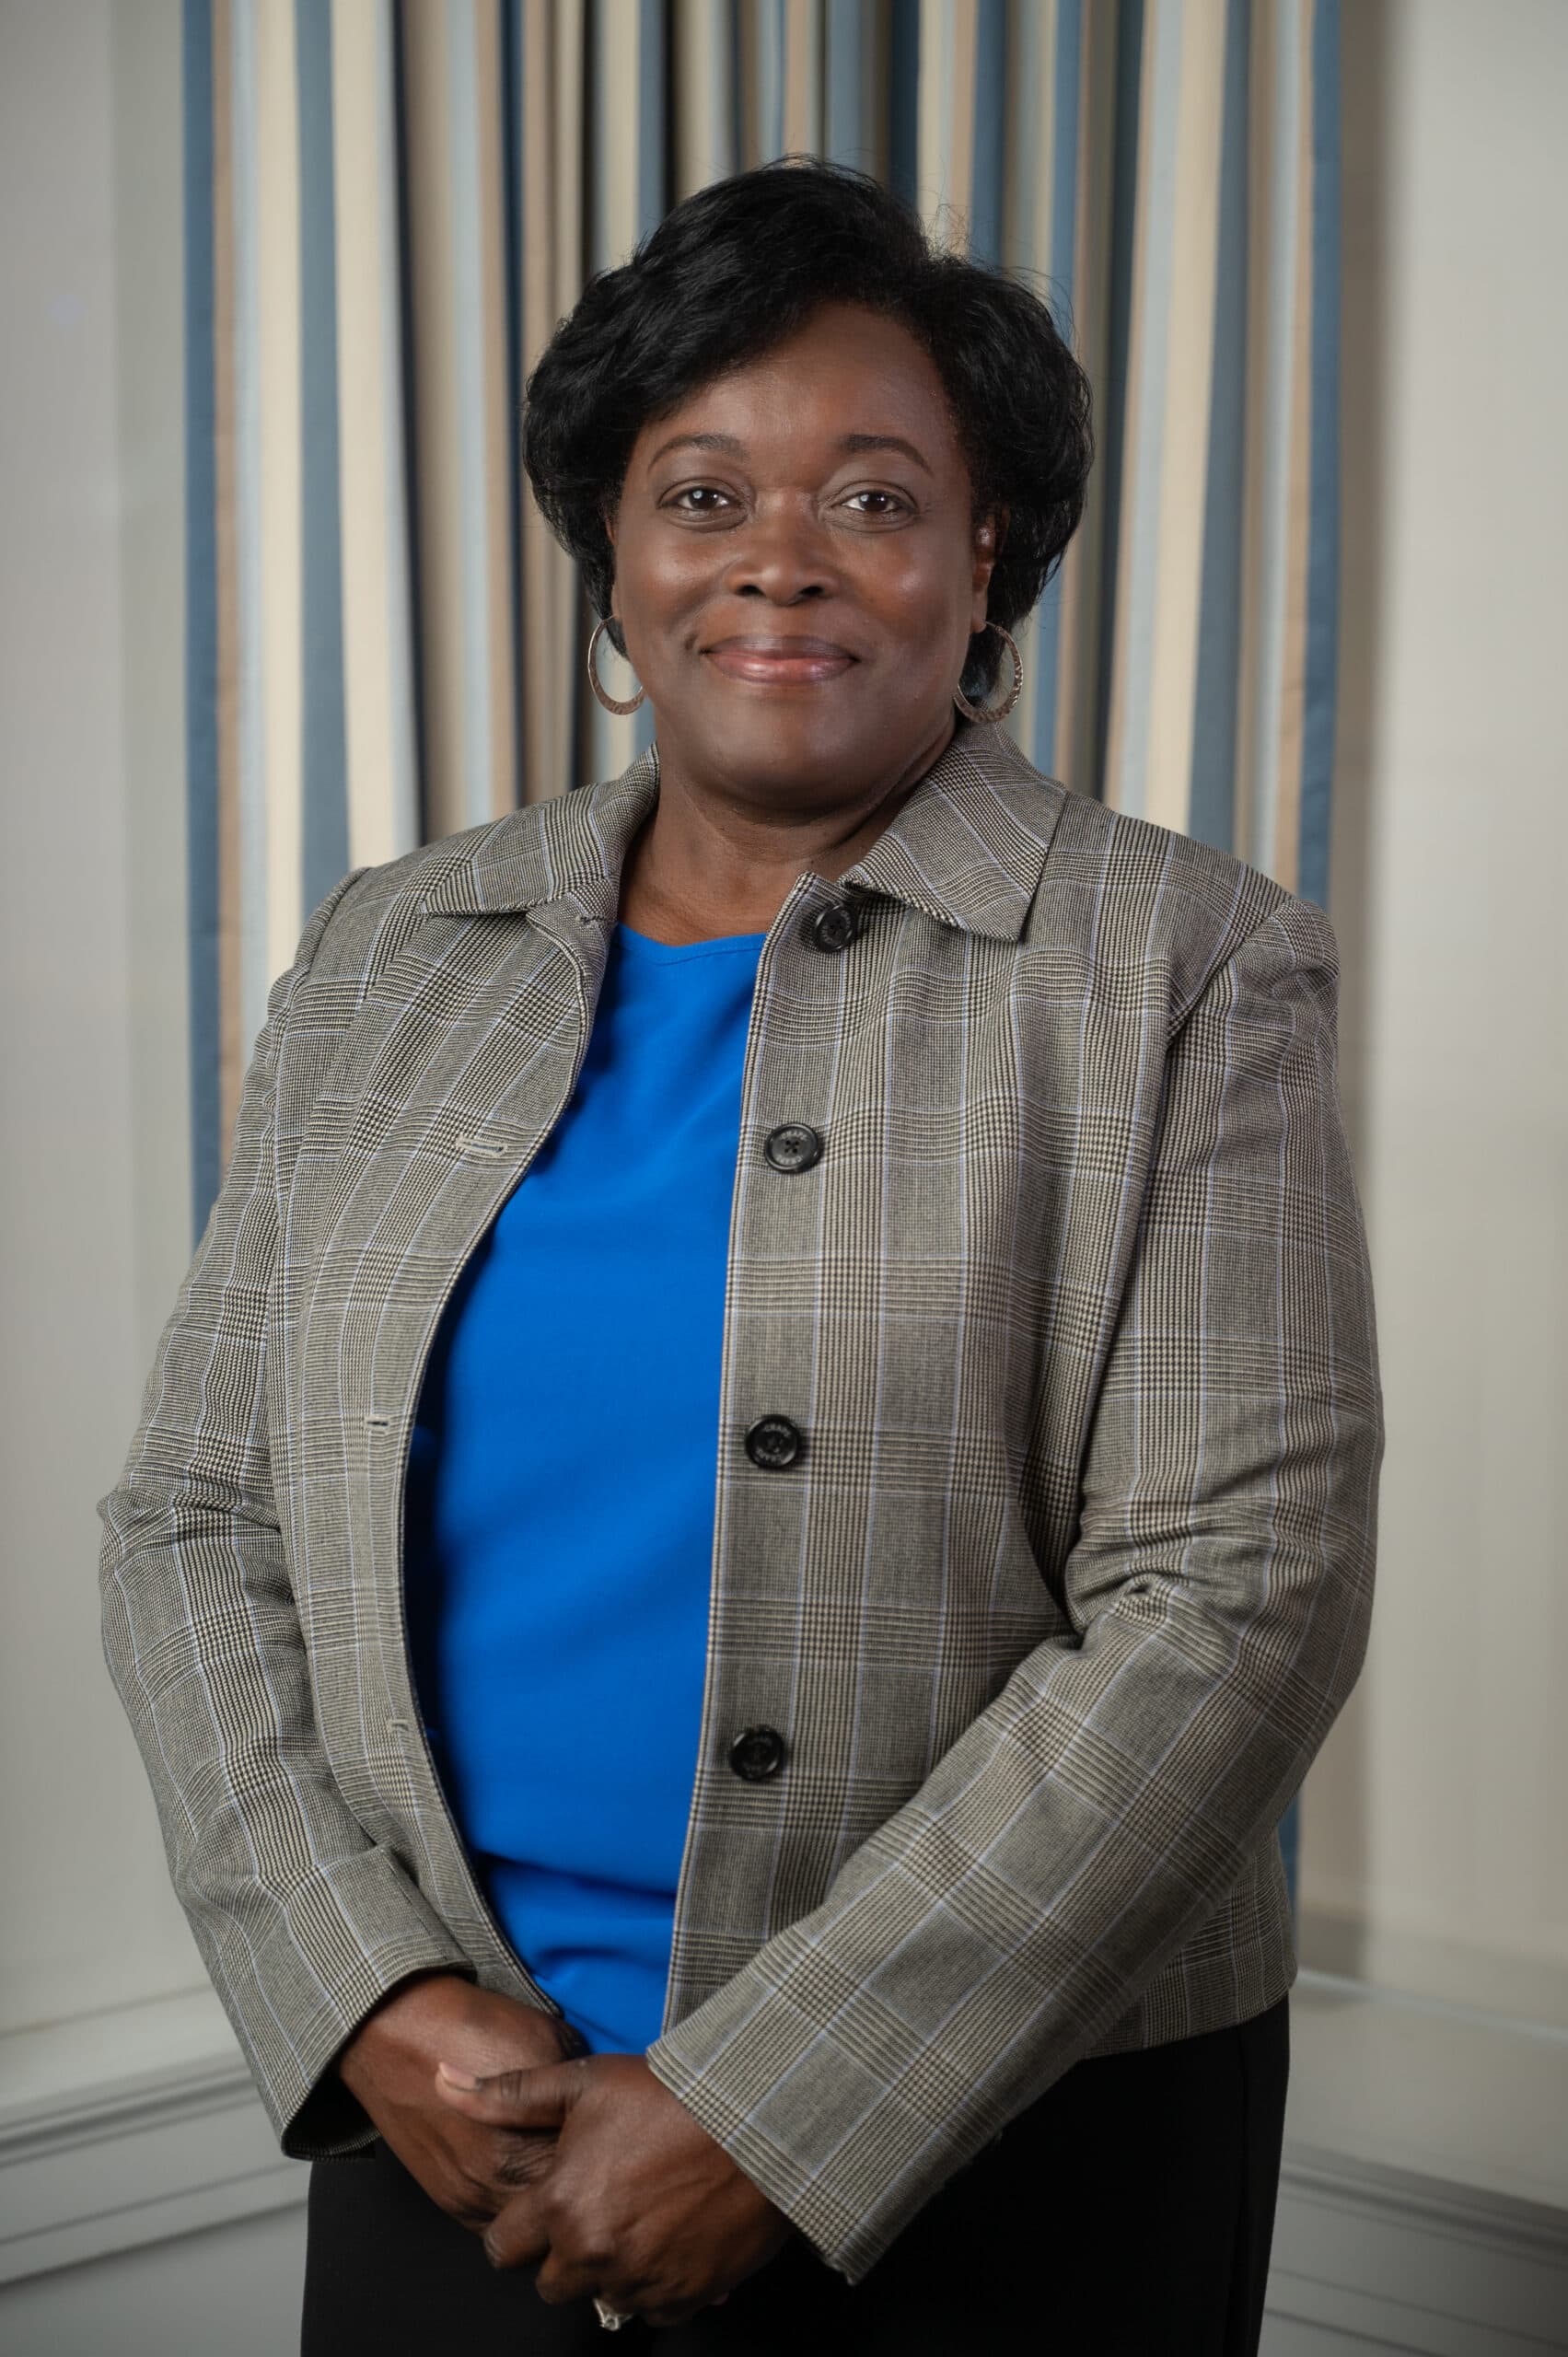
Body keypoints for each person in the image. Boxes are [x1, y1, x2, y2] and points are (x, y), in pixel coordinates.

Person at [99, 157, 1383, 2354]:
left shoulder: (1183, 961)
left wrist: (772, 2108)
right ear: (614, 563)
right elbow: (195, 1522)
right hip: (459, 2121)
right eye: (701, 494)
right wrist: (364, 1988)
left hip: (1014, 2154)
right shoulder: (397, 947)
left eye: (875, 497)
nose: (781, 556)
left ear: (989, 561)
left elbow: (1233, 1599)